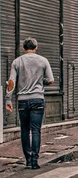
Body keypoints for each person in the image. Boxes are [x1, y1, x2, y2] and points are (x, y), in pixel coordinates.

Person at [5, 38, 54, 170]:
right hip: (37, 99)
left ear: (23, 48)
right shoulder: (43, 61)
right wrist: (39, 82)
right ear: (36, 47)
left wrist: (8, 99)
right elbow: (51, 80)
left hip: (22, 100)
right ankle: (34, 161)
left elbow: (11, 81)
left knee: (25, 131)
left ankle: (27, 159)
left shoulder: (17, 61)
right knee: (36, 130)